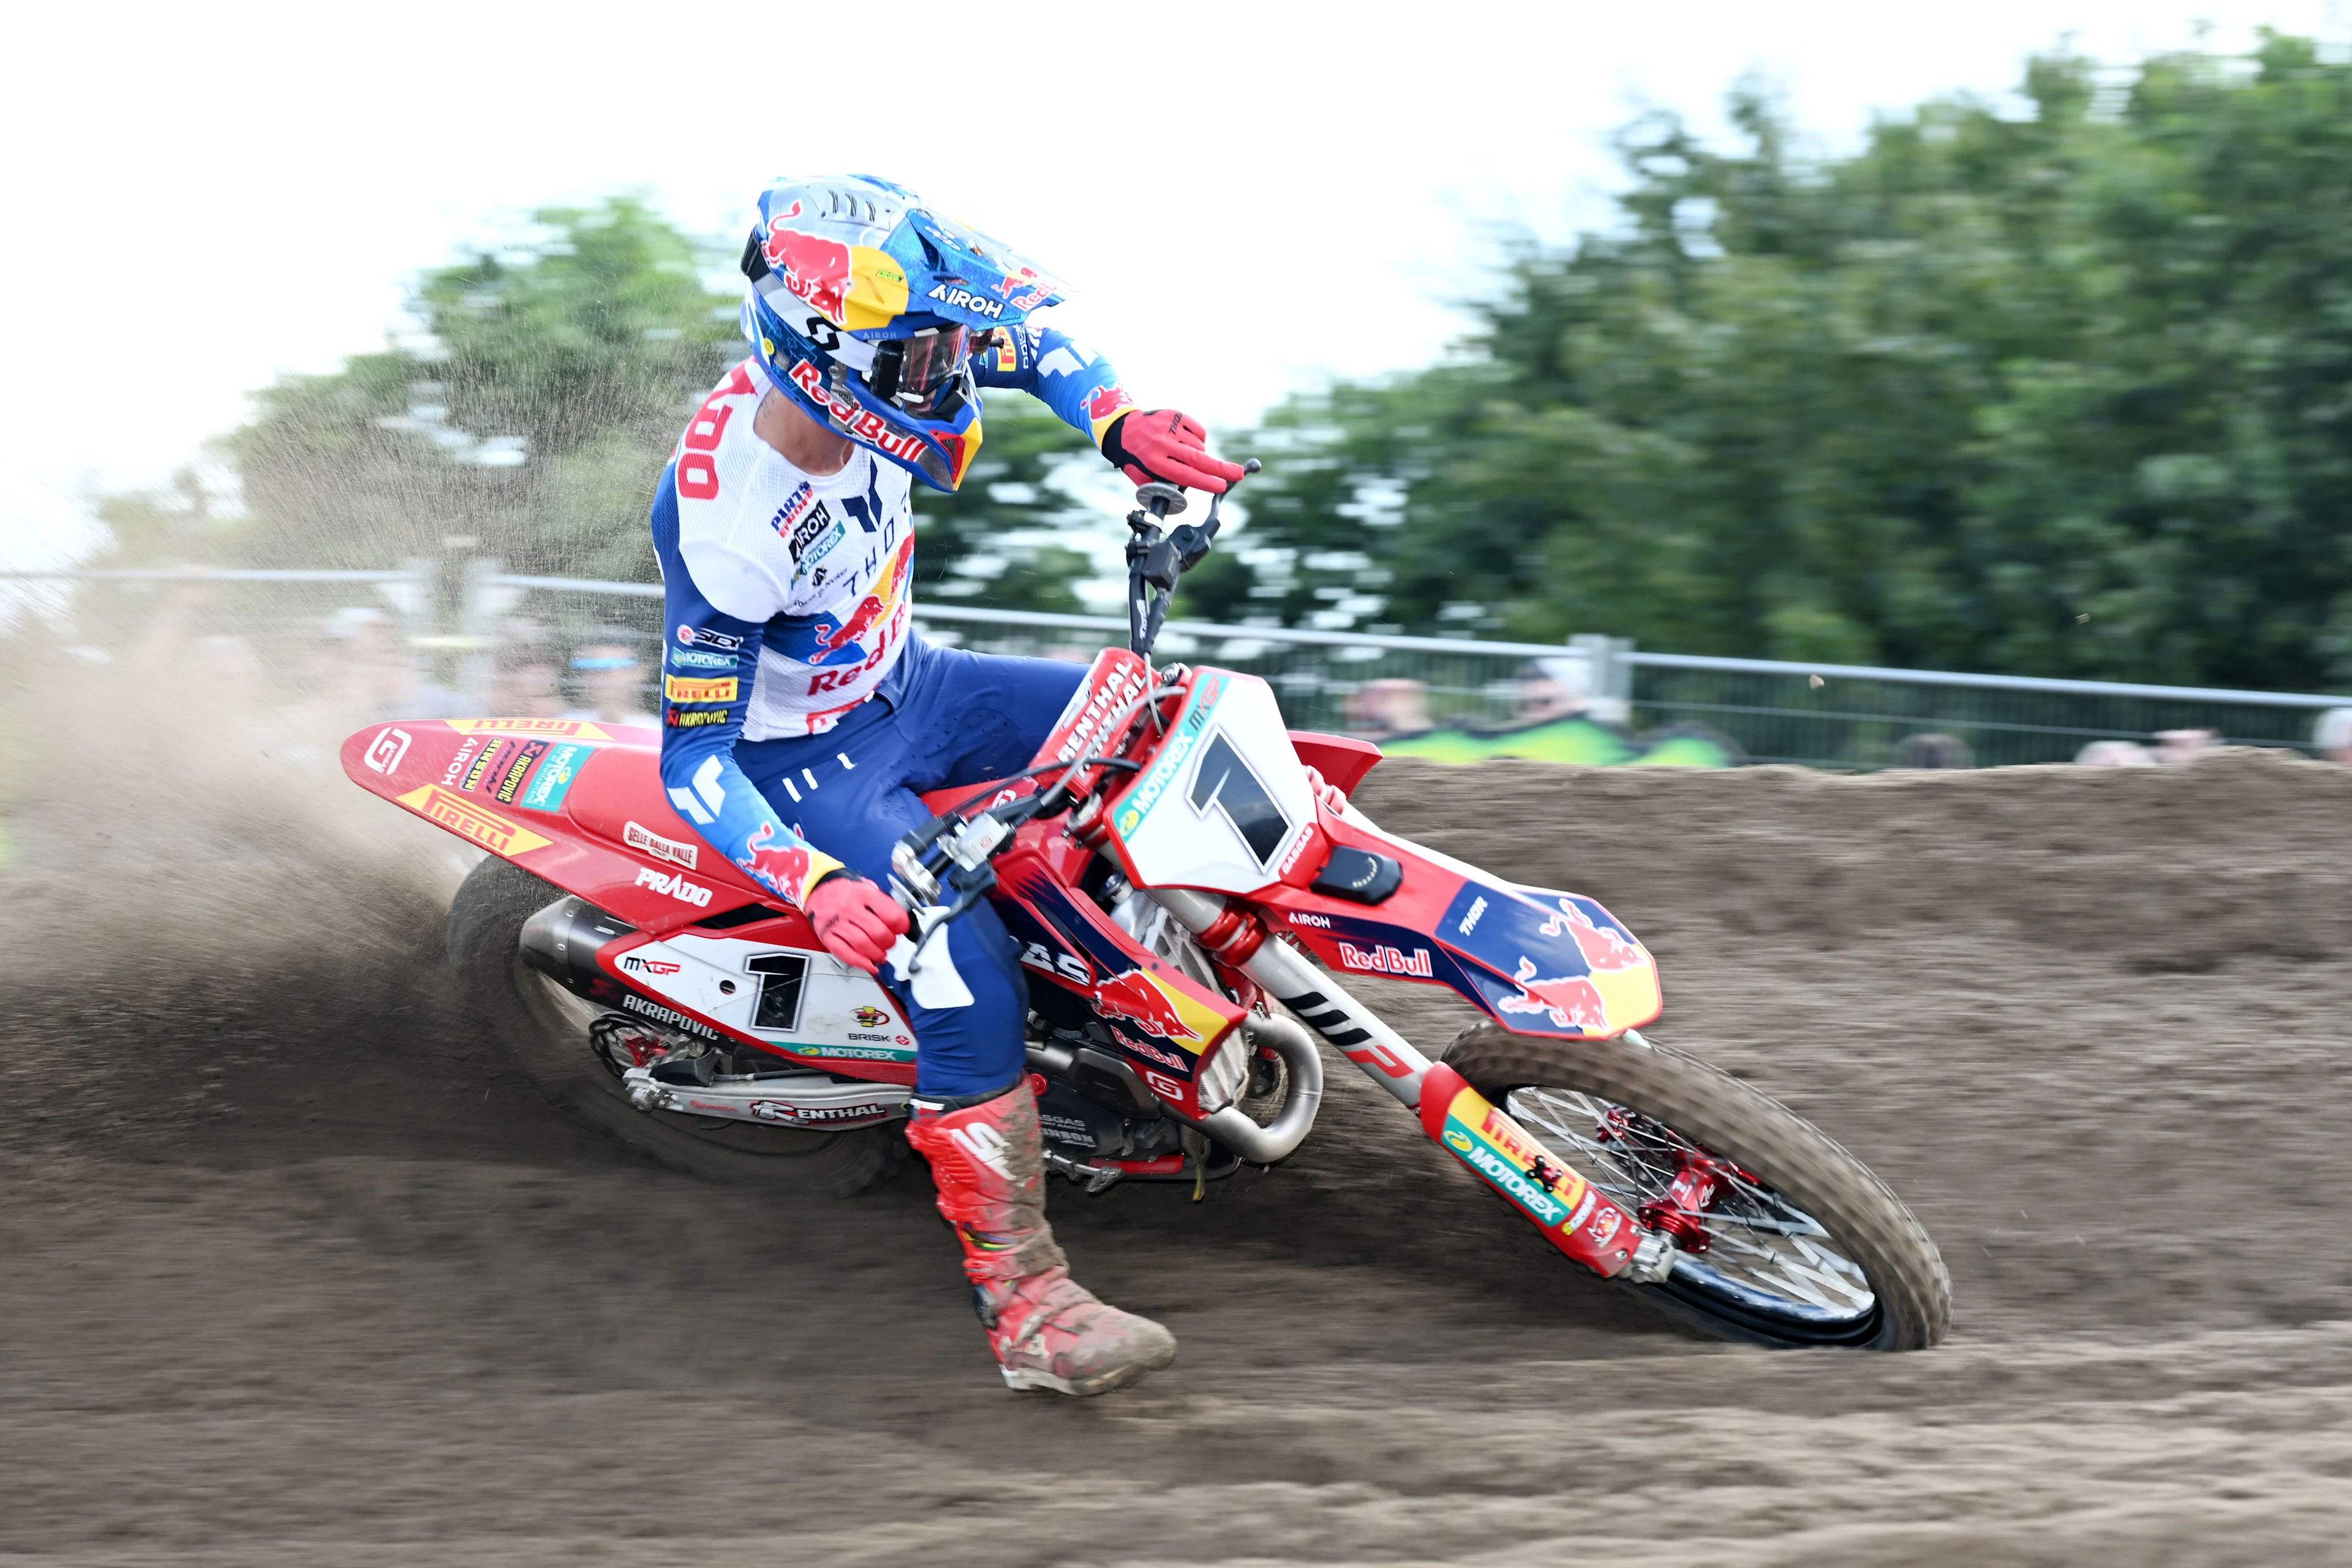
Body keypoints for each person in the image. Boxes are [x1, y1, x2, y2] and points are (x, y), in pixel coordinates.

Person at [649, 176, 1243, 1398]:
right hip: (804, 762)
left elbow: (1024, 332)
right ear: (828, 356)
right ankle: (1025, 1304)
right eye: (930, 355)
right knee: (958, 971)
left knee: (1165, 715)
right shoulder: (724, 522)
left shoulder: (875, 368)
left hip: (917, 682)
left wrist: (1116, 418)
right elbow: (694, 759)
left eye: (950, 348)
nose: (959, 375)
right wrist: (813, 882)